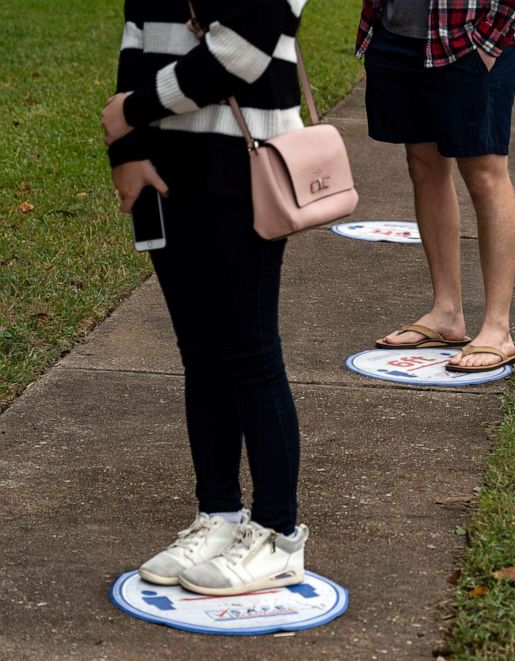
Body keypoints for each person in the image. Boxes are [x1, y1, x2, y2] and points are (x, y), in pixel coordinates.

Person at [102, 0, 310, 596]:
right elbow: (136, 36)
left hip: (242, 163)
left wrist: (131, 113)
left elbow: (241, 50)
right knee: (200, 351)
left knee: (249, 353)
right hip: (163, 167)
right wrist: (127, 149)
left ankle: (278, 535)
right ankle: (218, 516)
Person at [357, 0, 515, 372]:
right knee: (423, 165)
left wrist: (489, 41)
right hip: (396, 33)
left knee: (484, 172)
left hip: (470, 35)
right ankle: (447, 313)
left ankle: (498, 328)